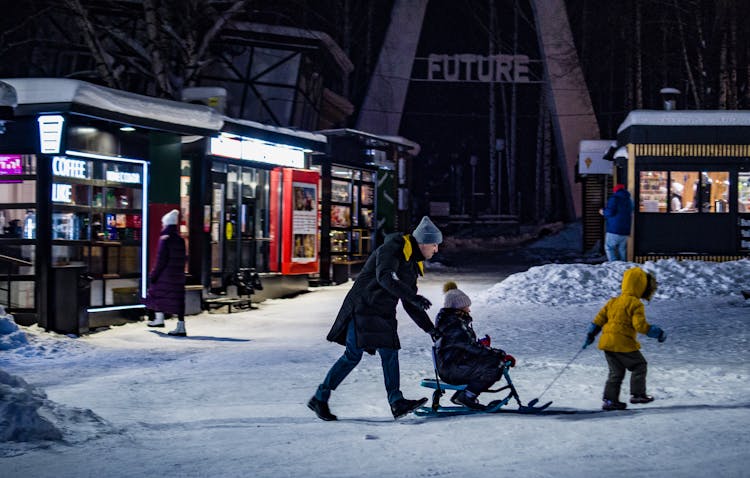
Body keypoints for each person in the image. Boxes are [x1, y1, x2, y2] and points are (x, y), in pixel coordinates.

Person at [308, 216, 443, 421]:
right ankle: (320, 397)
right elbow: (384, 277)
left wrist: (430, 328)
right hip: (363, 307)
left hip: (383, 312)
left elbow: (409, 302)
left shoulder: (411, 262)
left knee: (390, 352)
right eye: (434, 245)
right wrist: (413, 297)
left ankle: (396, 402)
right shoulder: (392, 249)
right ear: (423, 243)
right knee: (353, 355)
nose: (436, 250)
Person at [583, 266, 667, 411]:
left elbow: (599, 319)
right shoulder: (635, 304)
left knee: (616, 373)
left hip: (607, 343)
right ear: (641, 286)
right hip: (622, 343)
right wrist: (658, 333)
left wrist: (591, 334)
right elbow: (640, 326)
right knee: (639, 365)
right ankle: (638, 394)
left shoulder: (613, 301)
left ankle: (610, 401)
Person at [434, 282, 516, 410]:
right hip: (453, 368)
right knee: (495, 364)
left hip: (454, 364)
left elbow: (465, 345)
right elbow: (469, 346)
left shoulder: (452, 322)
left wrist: (482, 346)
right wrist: (499, 354)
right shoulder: (454, 324)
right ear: (458, 308)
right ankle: (467, 396)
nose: (469, 310)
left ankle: (465, 395)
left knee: (494, 360)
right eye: (466, 306)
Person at [145, 209, 187, 336]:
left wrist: (153, 274)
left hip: (165, 275)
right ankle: (181, 326)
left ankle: (159, 319)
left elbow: (160, 259)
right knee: (178, 300)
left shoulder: (165, 239)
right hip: (178, 275)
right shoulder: (180, 239)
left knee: (155, 292)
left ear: (166, 224)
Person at [599, 183, 633, 261]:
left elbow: (610, 212)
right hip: (626, 230)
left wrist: (603, 211)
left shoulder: (614, 198)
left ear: (615, 191)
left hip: (614, 228)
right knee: (621, 249)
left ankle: (613, 264)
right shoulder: (629, 200)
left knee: (609, 247)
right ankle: (623, 265)